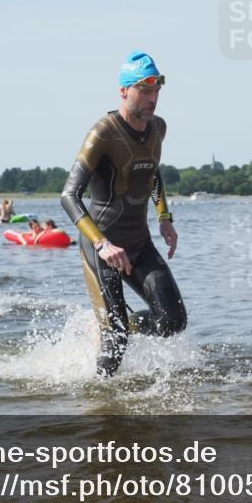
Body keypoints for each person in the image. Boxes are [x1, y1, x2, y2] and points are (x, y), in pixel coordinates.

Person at [61, 51, 186, 377]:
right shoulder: (103, 132)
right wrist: (102, 244)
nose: (153, 99)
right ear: (123, 91)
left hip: (139, 242)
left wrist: (164, 217)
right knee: (115, 342)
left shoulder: (158, 128)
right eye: (145, 91)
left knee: (172, 321)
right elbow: (69, 196)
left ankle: (120, 322)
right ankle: (101, 410)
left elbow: (152, 174)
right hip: (102, 246)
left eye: (157, 90)